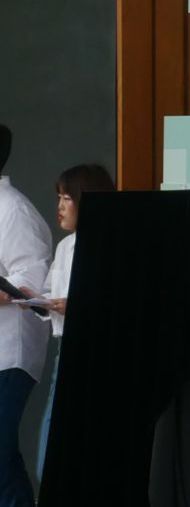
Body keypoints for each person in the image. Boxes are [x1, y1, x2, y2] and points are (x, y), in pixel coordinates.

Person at [22, 164, 115, 478]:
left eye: (67, 198)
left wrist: (77, 306)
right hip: (66, 349)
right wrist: (33, 300)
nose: (60, 207)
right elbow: (52, 294)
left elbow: (118, 301)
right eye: (59, 198)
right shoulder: (65, 247)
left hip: (102, 351)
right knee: (52, 438)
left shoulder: (113, 245)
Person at [0, 126, 51, 507]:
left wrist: (12, 290)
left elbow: (30, 282)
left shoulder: (13, 210)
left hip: (10, 349)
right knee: (2, 448)